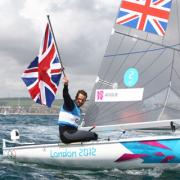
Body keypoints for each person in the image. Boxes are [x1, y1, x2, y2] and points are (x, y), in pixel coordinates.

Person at [58, 75, 98, 144]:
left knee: (89, 136)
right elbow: (66, 96)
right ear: (76, 98)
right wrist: (65, 85)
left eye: (83, 100)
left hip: (71, 134)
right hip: (66, 135)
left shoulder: (78, 110)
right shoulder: (70, 105)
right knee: (94, 135)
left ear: (85, 101)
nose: (80, 101)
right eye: (79, 99)